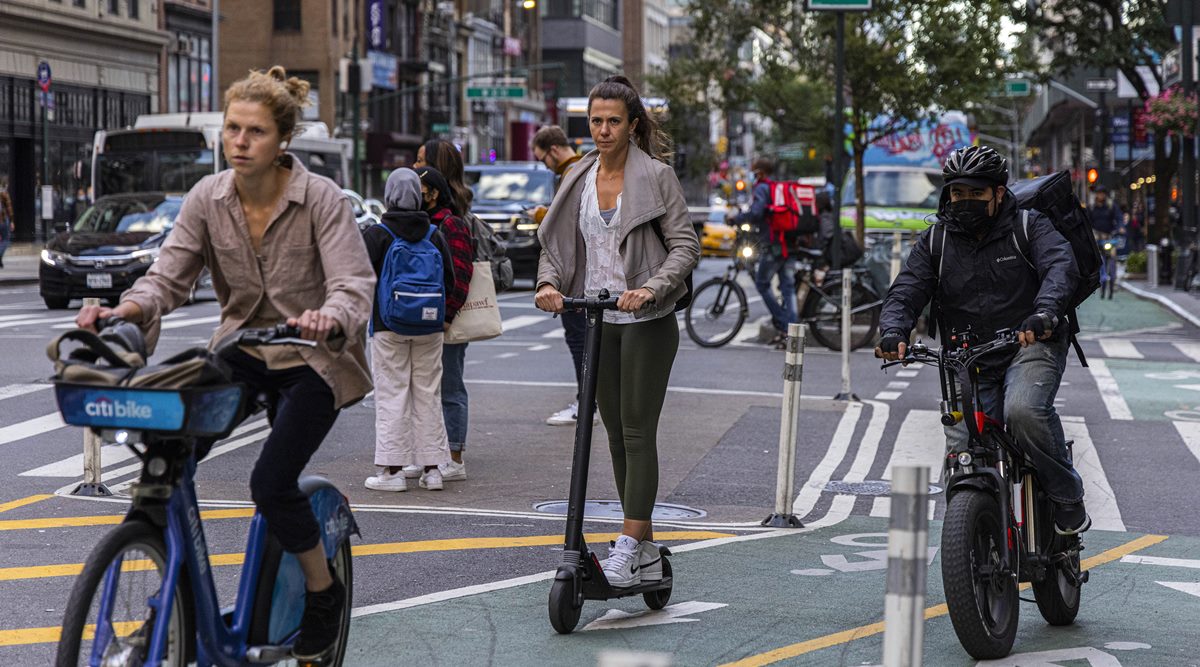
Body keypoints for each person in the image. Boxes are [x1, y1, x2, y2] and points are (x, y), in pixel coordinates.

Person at [74, 66, 375, 659]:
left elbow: (352, 283)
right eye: (233, 129)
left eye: (255, 131)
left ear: (281, 140)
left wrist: (330, 316)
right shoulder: (207, 198)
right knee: (167, 454)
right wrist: (124, 309)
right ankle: (165, 586)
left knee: (270, 482)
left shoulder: (320, 199)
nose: (240, 141)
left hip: (314, 359)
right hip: (239, 351)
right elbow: (167, 276)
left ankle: (323, 593)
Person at [534, 75, 700, 587]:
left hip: (646, 321)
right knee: (611, 435)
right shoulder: (578, 176)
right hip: (598, 318)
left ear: (632, 125)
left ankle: (628, 546)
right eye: (596, 121)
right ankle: (644, 548)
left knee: (636, 430)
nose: (603, 130)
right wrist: (547, 283)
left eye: (613, 121)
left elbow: (685, 247)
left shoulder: (656, 176)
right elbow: (557, 247)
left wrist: (652, 287)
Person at [875, 144, 1090, 536]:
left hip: (1031, 343)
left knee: (1023, 412)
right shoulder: (936, 241)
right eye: (958, 193)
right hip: (966, 356)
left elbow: (1060, 268)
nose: (965, 201)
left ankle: (1065, 493)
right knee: (962, 445)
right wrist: (894, 329)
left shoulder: (1030, 226)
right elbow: (907, 289)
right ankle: (974, 534)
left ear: (998, 194)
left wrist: (1044, 313)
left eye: (976, 193)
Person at [361, 169, 457, 493]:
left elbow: (358, 275)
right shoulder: (433, 233)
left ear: (389, 196)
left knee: (391, 395)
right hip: (430, 325)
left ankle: (392, 472)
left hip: (388, 325)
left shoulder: (378, 233)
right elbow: (450, 281)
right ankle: (432, 471)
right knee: (428, 395)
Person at [413, 139, 473, 481]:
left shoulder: (452, 220)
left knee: (450, 385)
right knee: (424, 389)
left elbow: (460, 272)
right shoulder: (418, 216)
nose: (414, 166)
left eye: (421, 162)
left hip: (446, 316)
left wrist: (448, 315)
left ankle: (454, 455)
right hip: (421, 318)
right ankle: (430, 454)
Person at [531, 125, 591, 426]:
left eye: (543, 159)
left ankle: (586, 403)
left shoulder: (572, 173)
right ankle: (588, 401)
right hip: (584, 270)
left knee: (579, 342)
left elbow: (564, 226)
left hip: (575, 274)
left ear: (554, 150)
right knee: (583, 341)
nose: (545, 165)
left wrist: (542, 216)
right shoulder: (586, 168)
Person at [737, 157, 797, 345]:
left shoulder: (762, 187)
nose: (752, 174)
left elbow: (756, 213)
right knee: (788, 287)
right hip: (788, 242)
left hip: (773, 244)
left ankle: (785, 323)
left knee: (762, 283)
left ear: (760, 172)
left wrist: (736, 219)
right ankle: (792, 330)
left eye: (754, 171)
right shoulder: (775, 187)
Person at [0, 188, 13, 269]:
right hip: (2, 220)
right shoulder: (3, 193)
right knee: (6, 240)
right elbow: (9, 207)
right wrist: (11, 220)